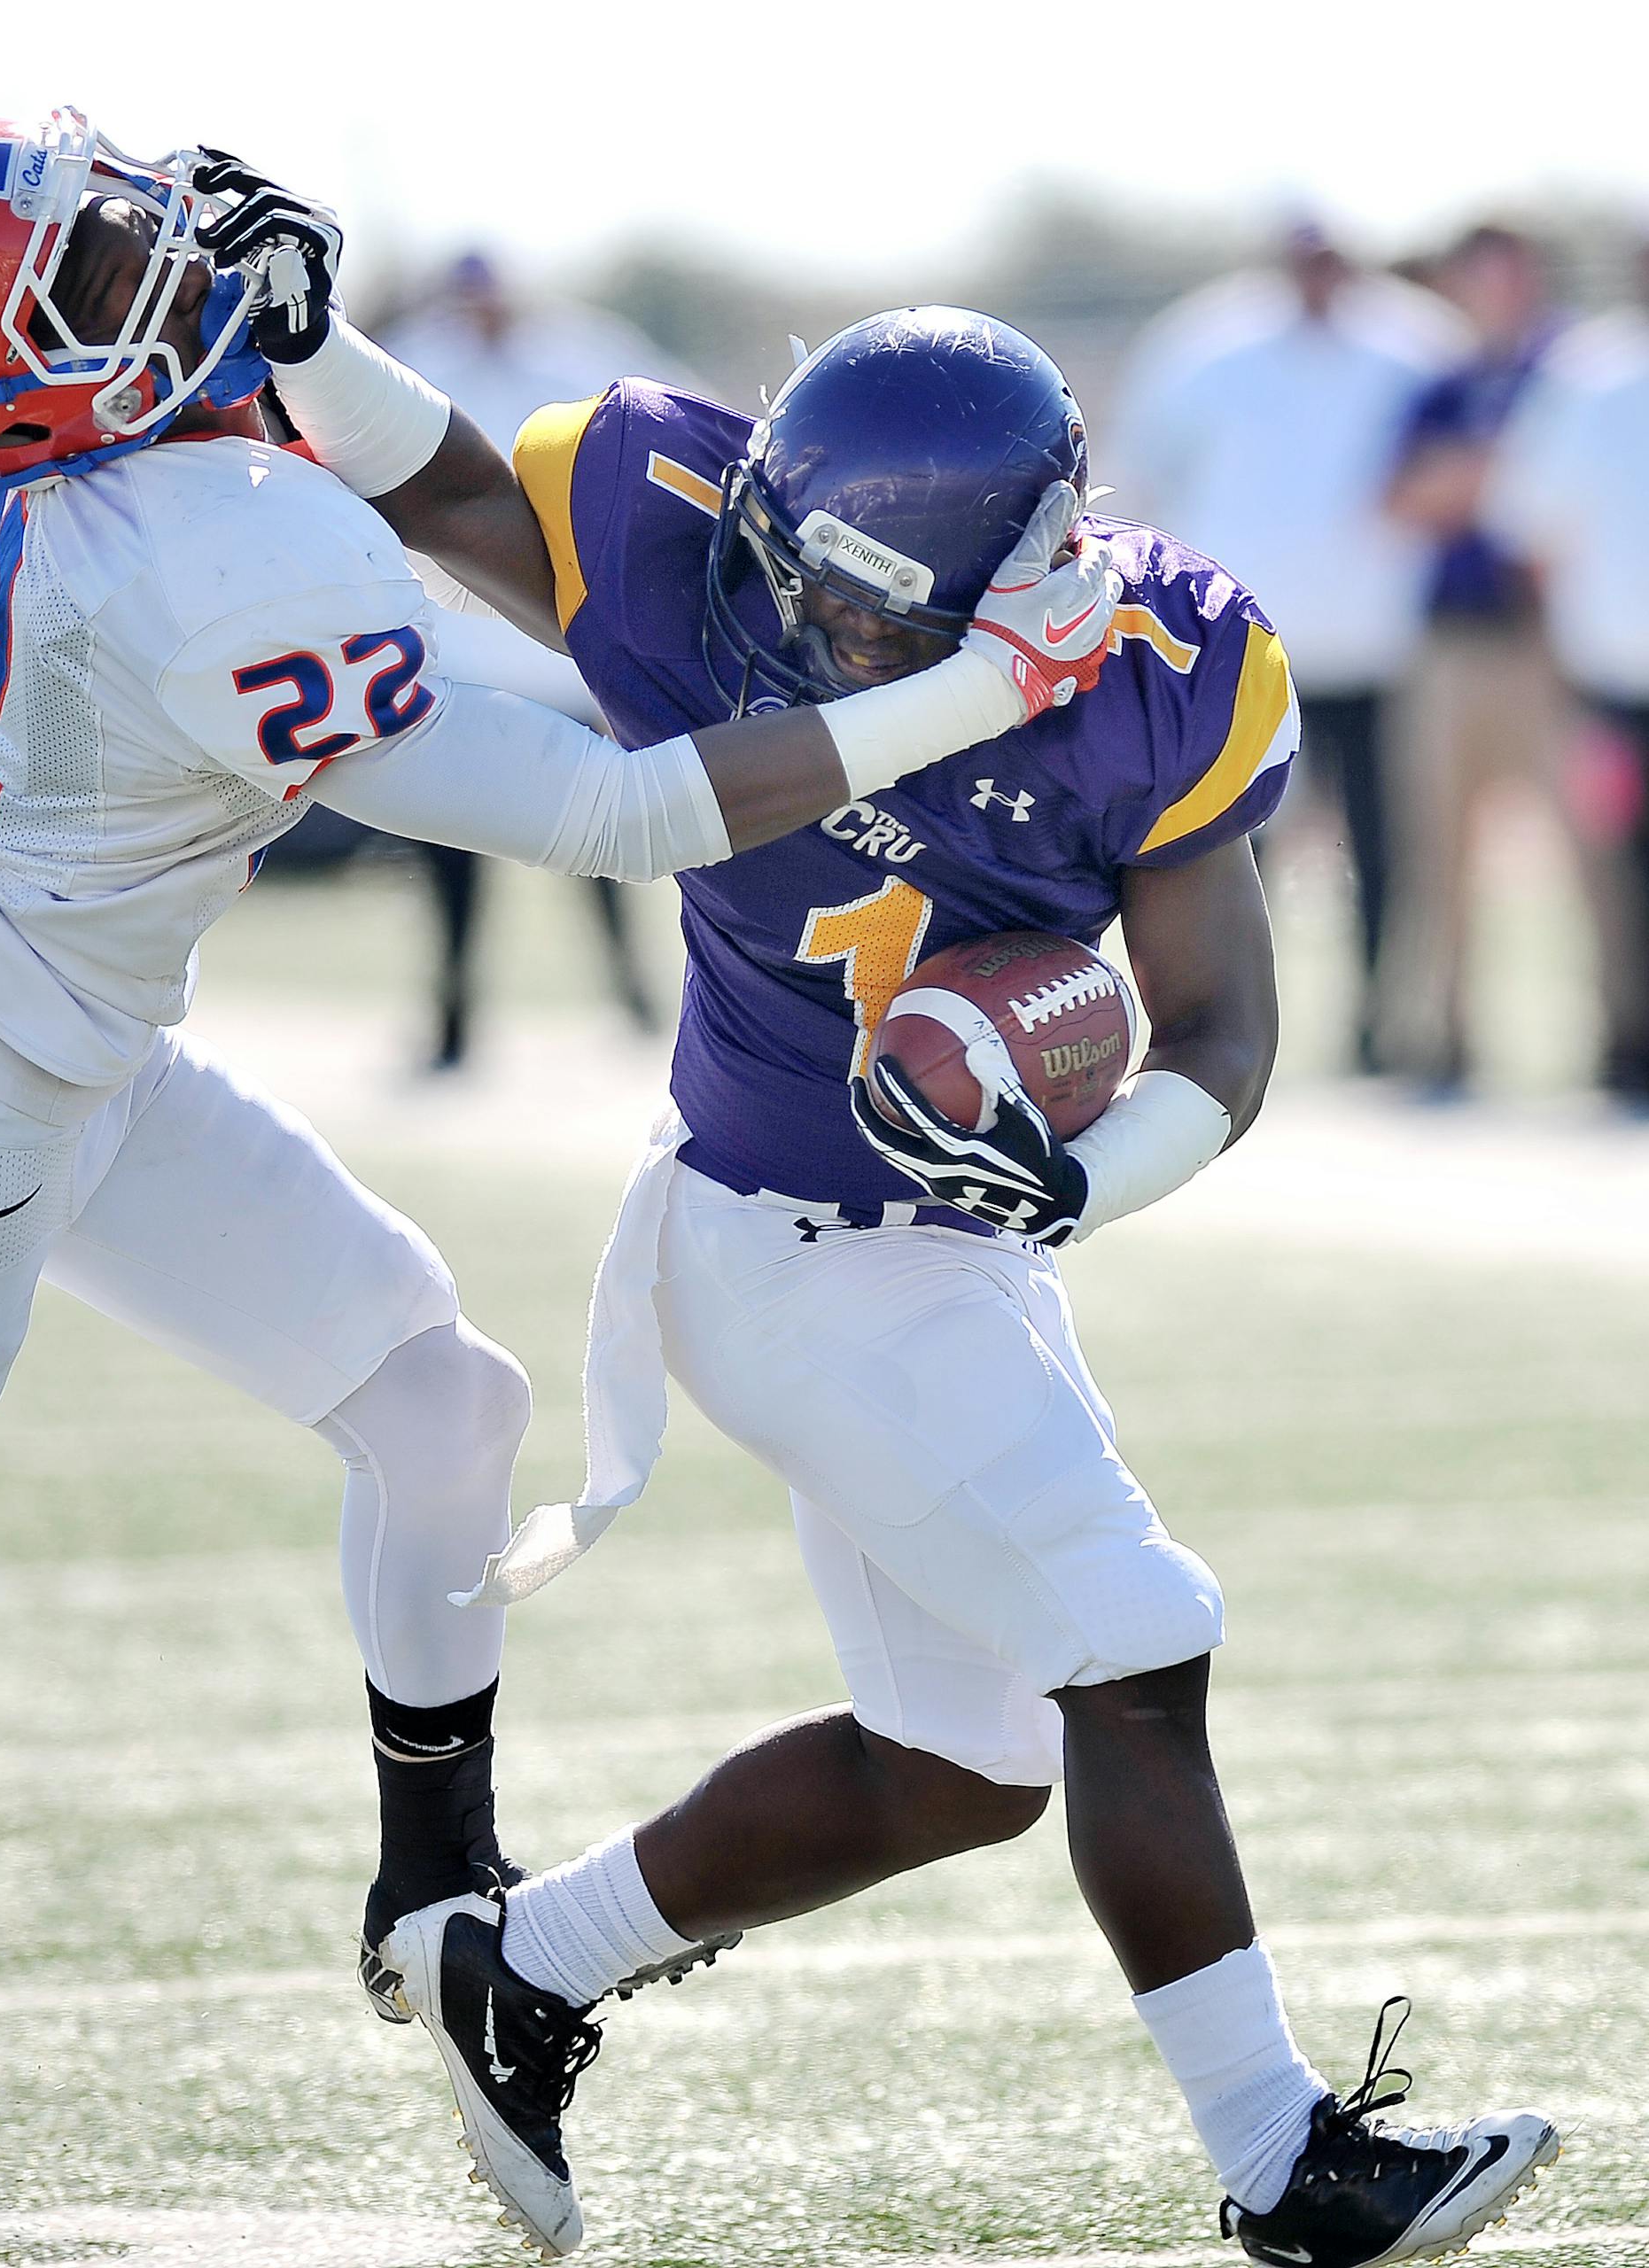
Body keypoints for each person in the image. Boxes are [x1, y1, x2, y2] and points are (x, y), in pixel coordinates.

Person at [0, 112, 1090, 2041]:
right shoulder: (207, 555)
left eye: (121, 231)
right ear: (18, 388)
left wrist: (303, 341)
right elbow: (619, 811)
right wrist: (981, 689)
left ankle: (435, 1888)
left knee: (444, 1408)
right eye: (104, 277)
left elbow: (371, 469)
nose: (163, 271)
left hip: (55, 1046)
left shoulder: (146, 477)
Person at [263, 272, 1561, 2263]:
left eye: (873, 607)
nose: (808, 629)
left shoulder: (1165, 660)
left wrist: (1063, 1181)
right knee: (1131, 1635)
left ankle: (522, 1964)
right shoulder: (668, 518)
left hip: (948, 1248)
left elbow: (1217, 1027)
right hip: (777, 1236)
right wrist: (291, 330)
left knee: (962, 1762)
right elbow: (426, 474)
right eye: (799, 579)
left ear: (1030, 568)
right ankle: (1281, 2157)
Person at [1113, 221, 1459, 1070]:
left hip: (1383, 642)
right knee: (1232, 840)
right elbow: (1144, 475)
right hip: (1245, 653)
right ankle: (1226, 1019)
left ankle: (1380, 1023)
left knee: (1382, 845)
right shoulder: (1203, 342)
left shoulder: (1416, 340)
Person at [378, 253, 677, 1068]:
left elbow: (678, 426)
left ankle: (638, 1003)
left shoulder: (579, 350)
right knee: (450, 864)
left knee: (599, 844)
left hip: (560, 653)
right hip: (452, 656)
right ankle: (451, 1029)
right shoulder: (416, 357)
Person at [1381, 226, 1571, 1094]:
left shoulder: (1572, 372)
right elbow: (1402, 499)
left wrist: (1484, 479)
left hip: (1552, 648)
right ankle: (1446, 1035)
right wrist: (1491, 474)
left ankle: (1620, 1033)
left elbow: (1570, 497)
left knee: (1592, 851)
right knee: (1440, 848)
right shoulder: (1446, 384)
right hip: (1454, 641)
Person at [1484, 236, 1649, 1104]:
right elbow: (1531, 529)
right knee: (1614, 874)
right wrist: (1556, 662)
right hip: (1614, 682)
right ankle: (1627, 1044)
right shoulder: (1589, 375)